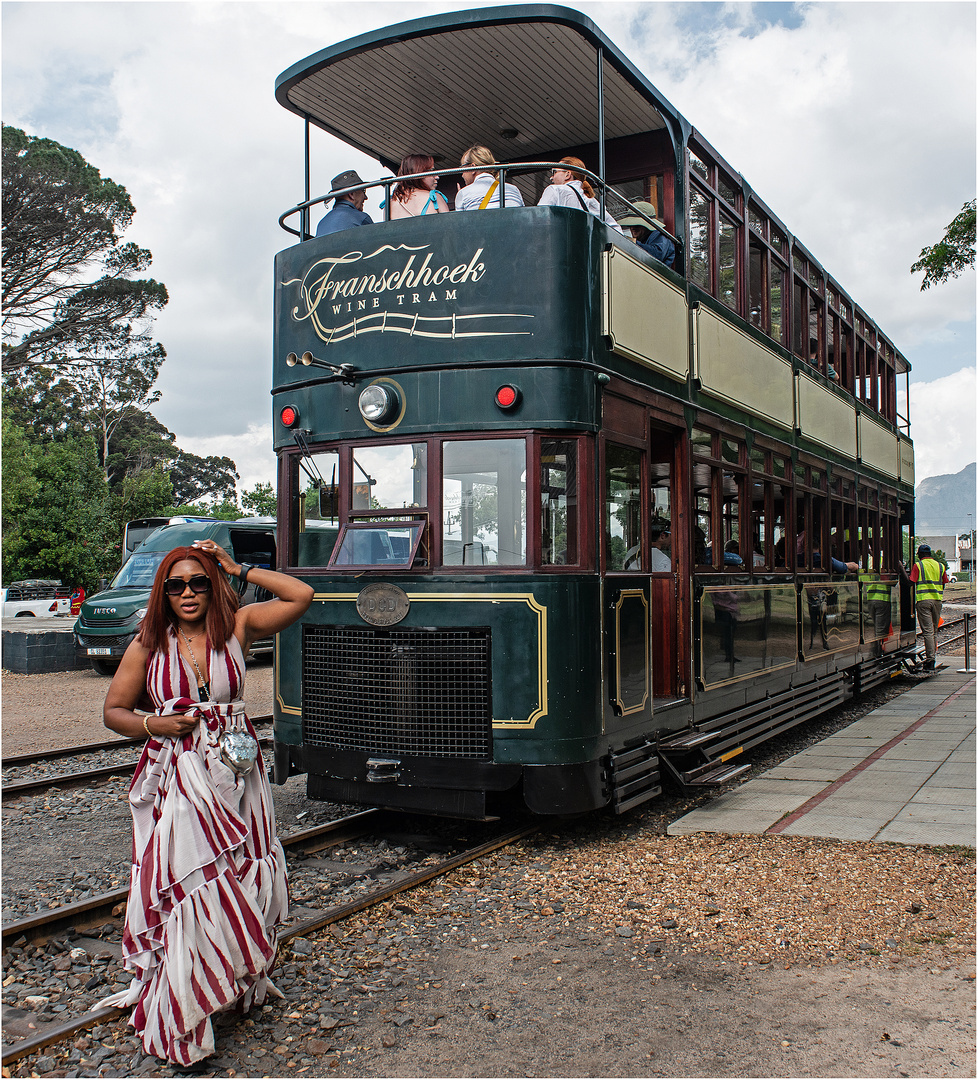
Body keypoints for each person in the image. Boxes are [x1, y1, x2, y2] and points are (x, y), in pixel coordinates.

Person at [99, 539, 314, 1067]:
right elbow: (114, 711)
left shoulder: (236, 627)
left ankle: (235, 979)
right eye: (176, 585)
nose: (188, 593)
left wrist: (240, 568)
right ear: (163, 592)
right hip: (182, 773)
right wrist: (157, 723)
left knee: (241, 869)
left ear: (212, 585)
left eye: (198, 582)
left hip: (239, 774)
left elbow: (302, 594)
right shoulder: (148, 643)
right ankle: (186, 1001)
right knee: (192, 877)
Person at [537, 156, 622, 232]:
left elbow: (538, 217)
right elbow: (615, 228)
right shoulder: (590, 199)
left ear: (567, 174)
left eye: (554, 172)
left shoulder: (554, 190)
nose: (551, 177)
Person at [909, 543, 951, 669]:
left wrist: (901, 569)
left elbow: (911, 582)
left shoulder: (918, 565)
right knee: (933, 631)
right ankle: (932, 657)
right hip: (937, 601)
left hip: (923, 601)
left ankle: (930, 660)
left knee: (927, 631)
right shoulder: (940, 566)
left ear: (920, 555)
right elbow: (944, 583)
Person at [455, 145, 524, 211]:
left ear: (473, 168)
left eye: (463, 168)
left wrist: (461, 196)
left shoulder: (464, 194)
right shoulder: (514, 189)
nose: (462, 175)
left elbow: (460, 222)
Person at [617, 201, 675, 266]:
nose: (633, 228)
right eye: (631, 225)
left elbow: (657, 255)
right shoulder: (643, 238)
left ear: (648, 225)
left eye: (637, 225)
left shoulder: (660, 236)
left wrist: (631, 243)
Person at [315, 169, 372, 236]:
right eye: (363, 191)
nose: (366, 197)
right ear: (351, 194)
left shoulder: (321, 224)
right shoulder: (361, 218)